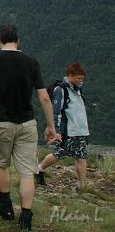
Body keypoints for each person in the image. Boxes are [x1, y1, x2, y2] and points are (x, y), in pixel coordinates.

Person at [0, 24, 59, 232]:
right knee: (27, 172)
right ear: (18, 40)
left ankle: (5, 205)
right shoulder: (32, 62)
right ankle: (26, 218)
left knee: (0, 163)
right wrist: (51, 127)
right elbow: (44, 97)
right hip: (27, 124)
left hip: (1, 122)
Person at [36, 62, 90, 191]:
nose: (81, 81)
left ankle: (82, 185)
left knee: (81, 156)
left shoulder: (78, 89)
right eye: (79, 78)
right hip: (69, 131)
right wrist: (57, 131)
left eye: (82, 79)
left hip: (81, 130)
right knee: (59, 154)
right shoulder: (61, 90)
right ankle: (39, 169)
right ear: (70, 75)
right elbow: (56, 112)